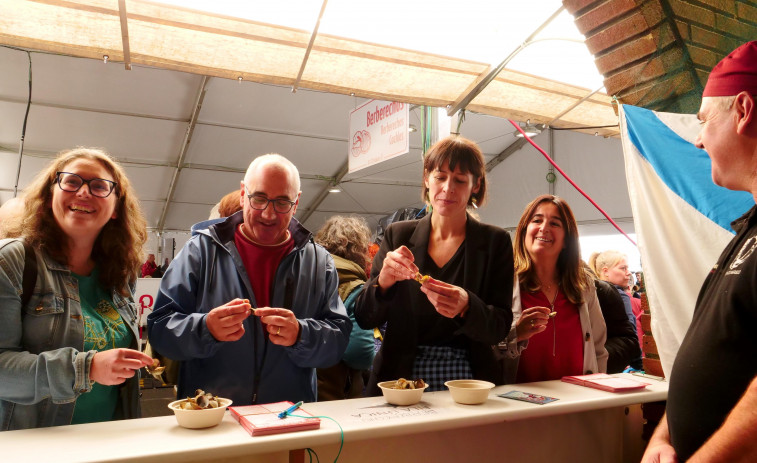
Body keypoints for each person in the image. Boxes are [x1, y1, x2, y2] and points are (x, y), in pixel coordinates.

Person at [147, 153, 351, 405]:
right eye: (259, 199)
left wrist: (301, 334)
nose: (268, 214)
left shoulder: (319, 262)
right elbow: (160, 330)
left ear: (296, 203)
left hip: (287, 418)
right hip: (213, 416)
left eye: (282, 202)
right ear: (243, 194)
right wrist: (205, 328)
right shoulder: (200, 252)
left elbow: (339, 339)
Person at [642, 41, 757, 462]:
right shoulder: (746, 231)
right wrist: (664, 436)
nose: (697, 140)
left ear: (743, 111)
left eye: (705, 120)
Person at [0, 147, 153, 430]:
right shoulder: (11, 261)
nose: (84, 192)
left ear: (117, 208)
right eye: (71, 182)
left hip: (109, 440)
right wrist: (87, 368)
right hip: (36, 447)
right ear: (48, 197)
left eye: (99, 186)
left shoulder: (120, 273)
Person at [356, 135, 514, 394]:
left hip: (469, 379)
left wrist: (467, 306)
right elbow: (364, 317)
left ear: (476, 185)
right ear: (426, 180)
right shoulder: (398, 235)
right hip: (400, 378)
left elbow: (499, 327)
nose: (448, 188)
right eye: (440, 177)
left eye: (460, 180)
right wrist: (383, 282)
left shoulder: (495, 242)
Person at [499, 195, 607, 383]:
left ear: (567, 240)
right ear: (524, 231)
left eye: (555, 223)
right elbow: (484, 347)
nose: (544, 228)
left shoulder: (584, 286)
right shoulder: (502, 282)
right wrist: (517, 332)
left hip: (576, 404)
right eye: (537, 220)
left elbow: (598, 350)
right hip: (519, 406)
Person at [314, 215, 376, 400]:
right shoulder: (353, 287)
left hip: (298, 392)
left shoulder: (306, 276)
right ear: (360, 250)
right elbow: (360, 355)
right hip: (334, 399)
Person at [589, 250, 642, 368]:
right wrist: (638, 363)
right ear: (605, 271)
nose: (628, 273)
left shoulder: (592, 292)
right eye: (623, 268)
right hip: (615, 363)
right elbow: (630, 332)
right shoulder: (619, 295)